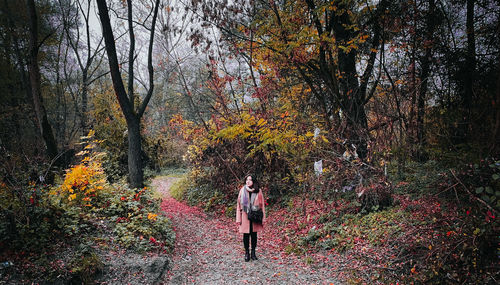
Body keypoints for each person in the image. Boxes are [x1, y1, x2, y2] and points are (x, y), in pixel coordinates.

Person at [236, 175, 266, 262]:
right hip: (245, 216)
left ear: (253, 181)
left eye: (250, 180)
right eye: (246, 180)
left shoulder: (258, 191)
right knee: (245, 235)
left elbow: (262, 205)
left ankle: (253, 252)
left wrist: (263, 218)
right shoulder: (242, 190)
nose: (248, 181)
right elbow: (238, 205)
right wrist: (238, 219)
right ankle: (246, 253)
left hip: (255, 216)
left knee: (254, 235)